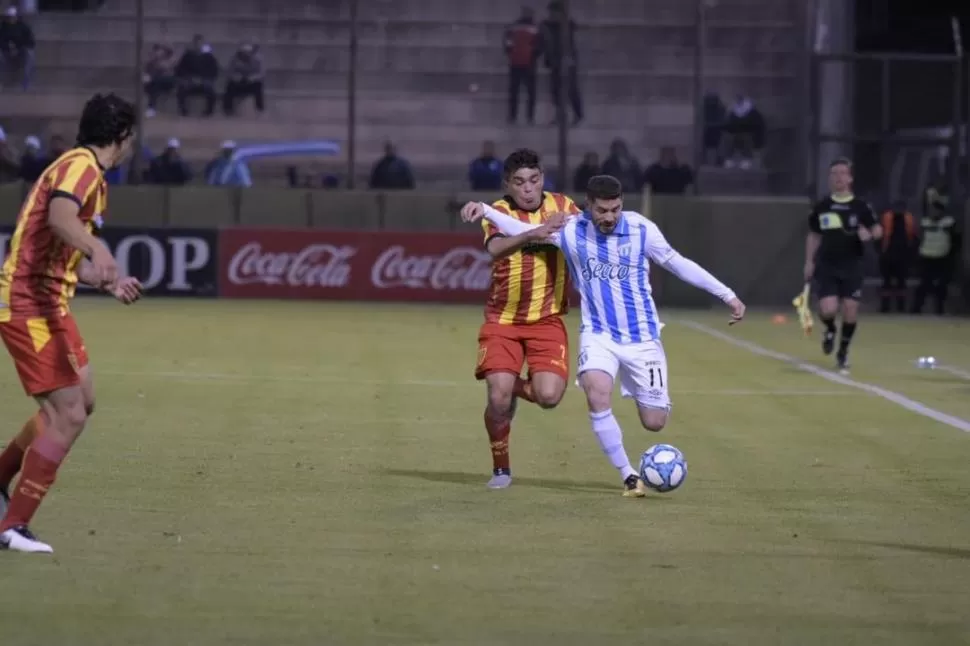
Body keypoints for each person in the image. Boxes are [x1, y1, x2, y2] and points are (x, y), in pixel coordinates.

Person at [463, 174, 744, 495]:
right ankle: (628, 476)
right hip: (599, 336)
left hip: (643, 339)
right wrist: (485, 209)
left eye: (615, 209)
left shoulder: (641, 229)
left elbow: (677, 263)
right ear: (588, 207)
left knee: (654, 421)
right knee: (596, 395)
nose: (609, 217)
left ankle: (651, 422)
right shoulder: (572, 229)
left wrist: (727, 295)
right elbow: (523, 231)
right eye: (602, 211)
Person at [0, 93, 144, 554]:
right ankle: (11, 526)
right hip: (28, 302)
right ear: (122, 137)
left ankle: (1, 475)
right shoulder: (80, 166)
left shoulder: (89, 175)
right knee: (68, 414)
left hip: (51, 301)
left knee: (83, 399)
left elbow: (60, 250)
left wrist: (105, 281)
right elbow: (61, 219)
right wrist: (99, 249)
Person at [458, 148, 580, 489]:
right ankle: (501, 469)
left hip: (547, 320)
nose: (528, 189)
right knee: (499, 397)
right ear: (507, 185)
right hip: (503, 320)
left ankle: (511, 383)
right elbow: (496, 249)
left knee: (549, 398)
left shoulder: (564, 206)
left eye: (535, 180)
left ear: (543, 178)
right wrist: (534, 234)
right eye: (519, 182)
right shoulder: (497, 212)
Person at [803, 158, 881, 373]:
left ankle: (843, 352)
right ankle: (829, 329)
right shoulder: (823, 206)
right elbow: (814, 235)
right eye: (834, 173)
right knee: (828, 309)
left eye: (842, 173)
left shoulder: (861, 206)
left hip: (852, 265)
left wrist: (868, 234)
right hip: (827, 264)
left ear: (850, 178)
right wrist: (809, 261)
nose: (838, 177)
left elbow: (877, 230)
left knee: (850, 309)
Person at [878, 200, 916, 313]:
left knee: (901, 282)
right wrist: (881, 251)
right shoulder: (886, 218)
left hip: (902, 255)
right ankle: (885, 307)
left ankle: (901, 307)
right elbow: (880, 236)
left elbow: (913, 237)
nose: (898, 210)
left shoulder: (909, 219)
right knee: (887, 282)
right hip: (888, 254)